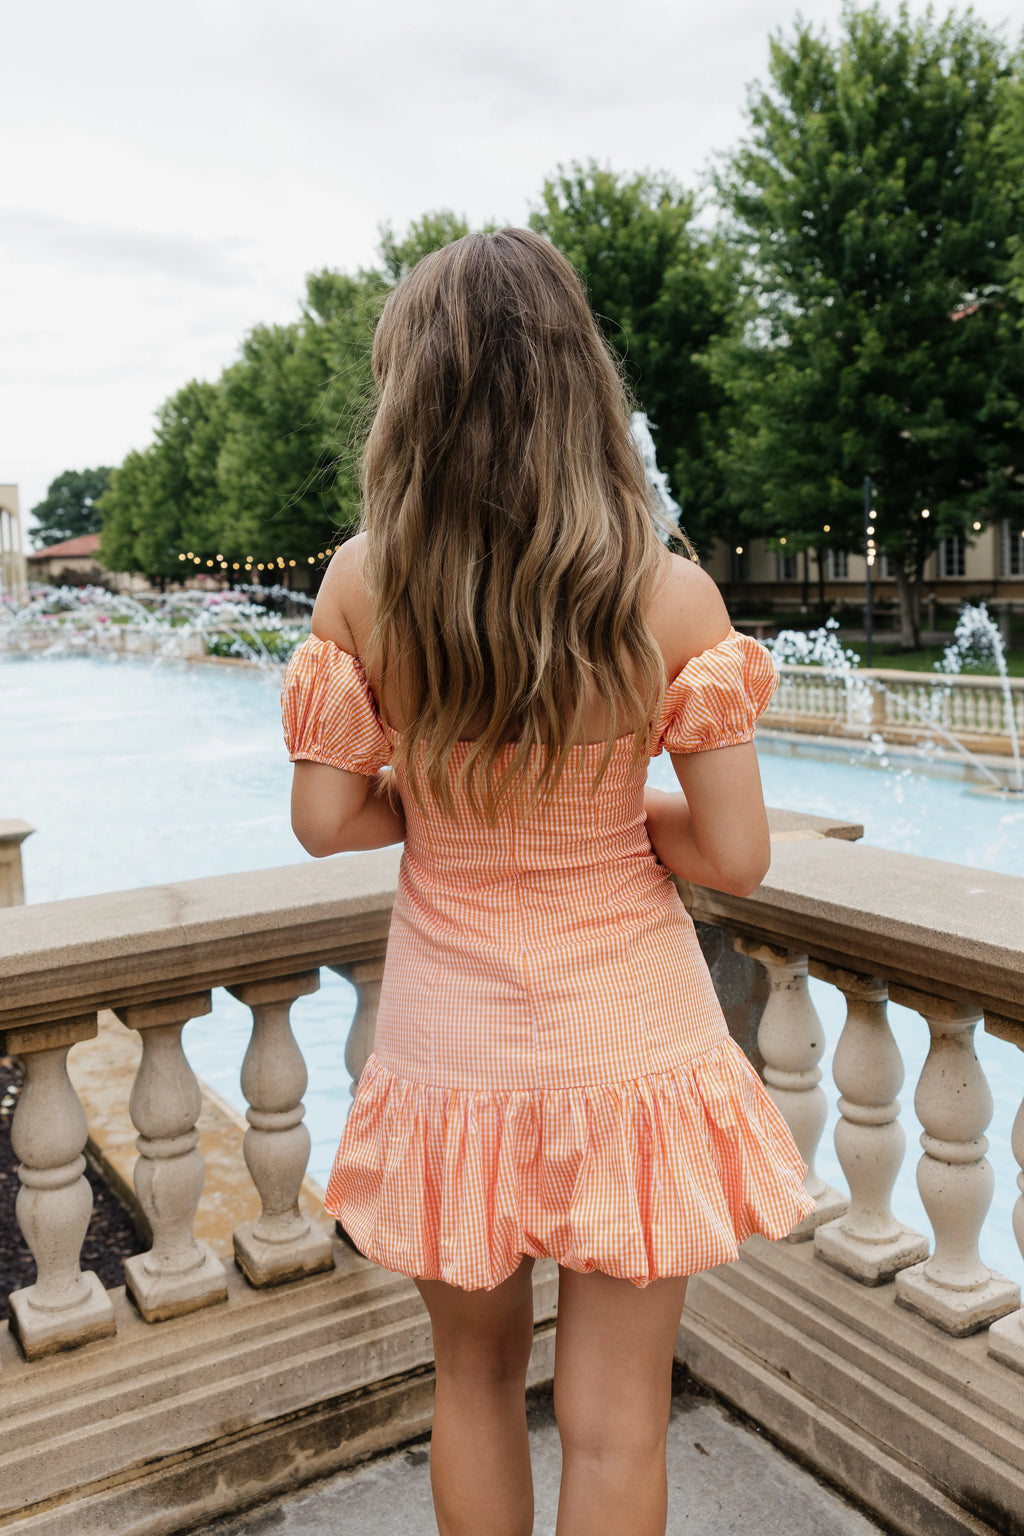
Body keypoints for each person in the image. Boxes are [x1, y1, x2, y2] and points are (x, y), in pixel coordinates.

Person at [282, 228, 814, 1536]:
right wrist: (608, 811)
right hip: (629, 1041)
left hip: (447, 1044)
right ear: (586, 386)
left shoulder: (364, 581)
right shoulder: (670, 595)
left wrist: (444, 800)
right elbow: (735, 856)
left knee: (469, 1384)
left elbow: (325, 817)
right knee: (618, 1418)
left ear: (414, 392)